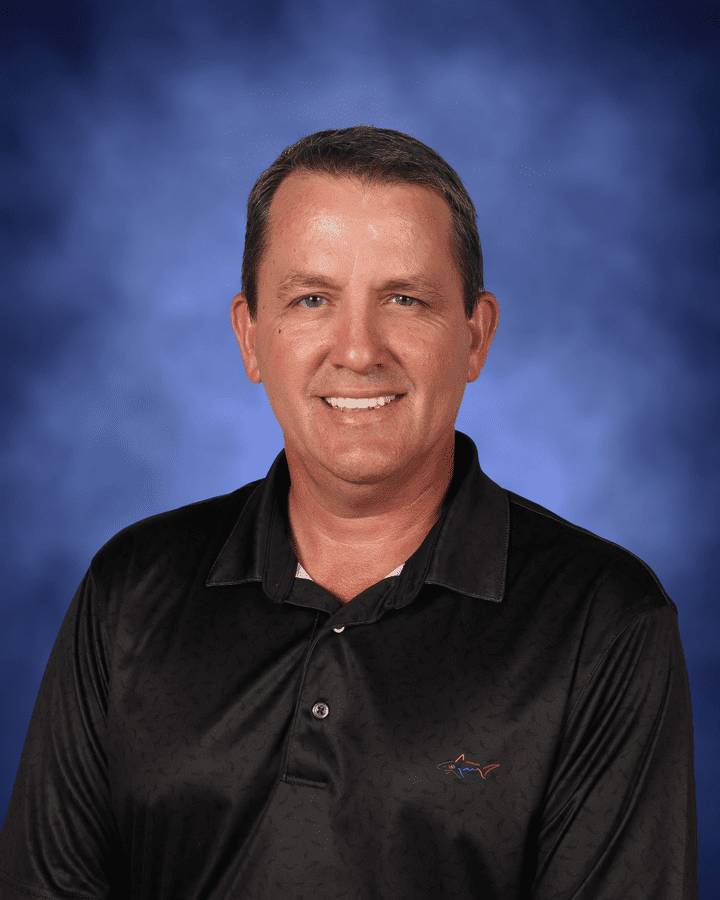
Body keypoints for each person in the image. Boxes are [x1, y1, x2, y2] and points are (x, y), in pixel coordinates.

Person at [0, 126, 697, 899]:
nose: (358, 351)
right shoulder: (130, 591)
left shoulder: (605, 623)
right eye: (312, 300)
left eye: (404, 299)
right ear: (250, 337)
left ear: (475, 337)